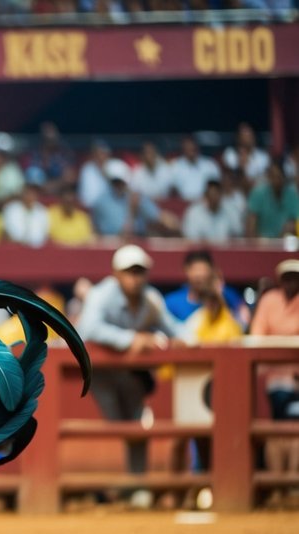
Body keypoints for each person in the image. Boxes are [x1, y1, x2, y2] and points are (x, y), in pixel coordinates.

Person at [75, 245, 186, 507]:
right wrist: (131, 339)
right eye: (129, 272)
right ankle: (125, 485)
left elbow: (173, 328)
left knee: (136, 425)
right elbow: (87, 328)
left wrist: (186, 340)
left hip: (131, 375)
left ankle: (136, 486)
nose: (136, 278)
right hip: (99, 375)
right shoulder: (101, 295)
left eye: (140, 272)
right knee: (118, 425)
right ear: (116, 274)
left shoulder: (151, 299)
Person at [251, 259, 299, 481]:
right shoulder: (270, 301)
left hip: (295, 379)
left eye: (295, 278)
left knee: (294, 431)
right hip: (271, 380)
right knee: (275, 430)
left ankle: (290, 482)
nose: (291, 283)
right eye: (287, 278)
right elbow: (257, 338)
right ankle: (277, 483)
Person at [164, 250, 245, 324]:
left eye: (203, 270)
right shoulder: (172, 302)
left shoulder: (228, 296)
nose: (199, 275)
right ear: (186, 270)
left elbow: (243, 322)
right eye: (195, 270)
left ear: (211, 270)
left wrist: (219, 298)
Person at [90, 161, 162, 237]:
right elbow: (122, 234)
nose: (119, 185)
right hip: (114, 244)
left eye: (122, 182)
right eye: (115, 182)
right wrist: (132, 211)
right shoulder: (102, 202)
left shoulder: (135, 195)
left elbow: (158, 218)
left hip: (140, 241)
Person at [245, 164, 299, 239]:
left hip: (284, 242)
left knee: (290, 226)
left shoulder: (291, 194)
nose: (276, 181)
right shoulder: (258, 193)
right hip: (262, 243)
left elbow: (294, 221)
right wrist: (254, 244)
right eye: (273, 177)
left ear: (284, 177)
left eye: (278, 177)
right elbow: (251, 223)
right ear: (269, 177)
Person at [182, 180, 243, 244]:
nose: (214, 198)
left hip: (226, 251)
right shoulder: (194, 213)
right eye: (211, 195)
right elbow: (190, 239)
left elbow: (238, 234)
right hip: (202, 252)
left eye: (216, 194)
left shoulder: (231, 211)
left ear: (221, 195)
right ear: (205, 196)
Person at [170, 135, 220, 203]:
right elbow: (171, 190)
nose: (190, 150)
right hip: (182, 203)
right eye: (188, 147)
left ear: (197, 147)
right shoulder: (175, 166)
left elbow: (216, 188)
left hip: (206, 204)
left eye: (192, 148)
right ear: (183, 149)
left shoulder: (210, 165)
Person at [221, 122, 270, 187]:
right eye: (244, 135)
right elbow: (230, 179)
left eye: (249, 135)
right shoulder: (230, 154)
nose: (248, 138)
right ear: (238, 138)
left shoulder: (263, 156)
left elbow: (266, 178)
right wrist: (241, 167)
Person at [2, 183, 49, 247]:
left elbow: (44, 233)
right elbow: (6, 231)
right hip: (15, 248)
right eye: (28, 193)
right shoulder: (11, 209)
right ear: (23, 194)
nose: (31, 196)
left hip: (36, 249)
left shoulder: (42, 211)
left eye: (34, 194)